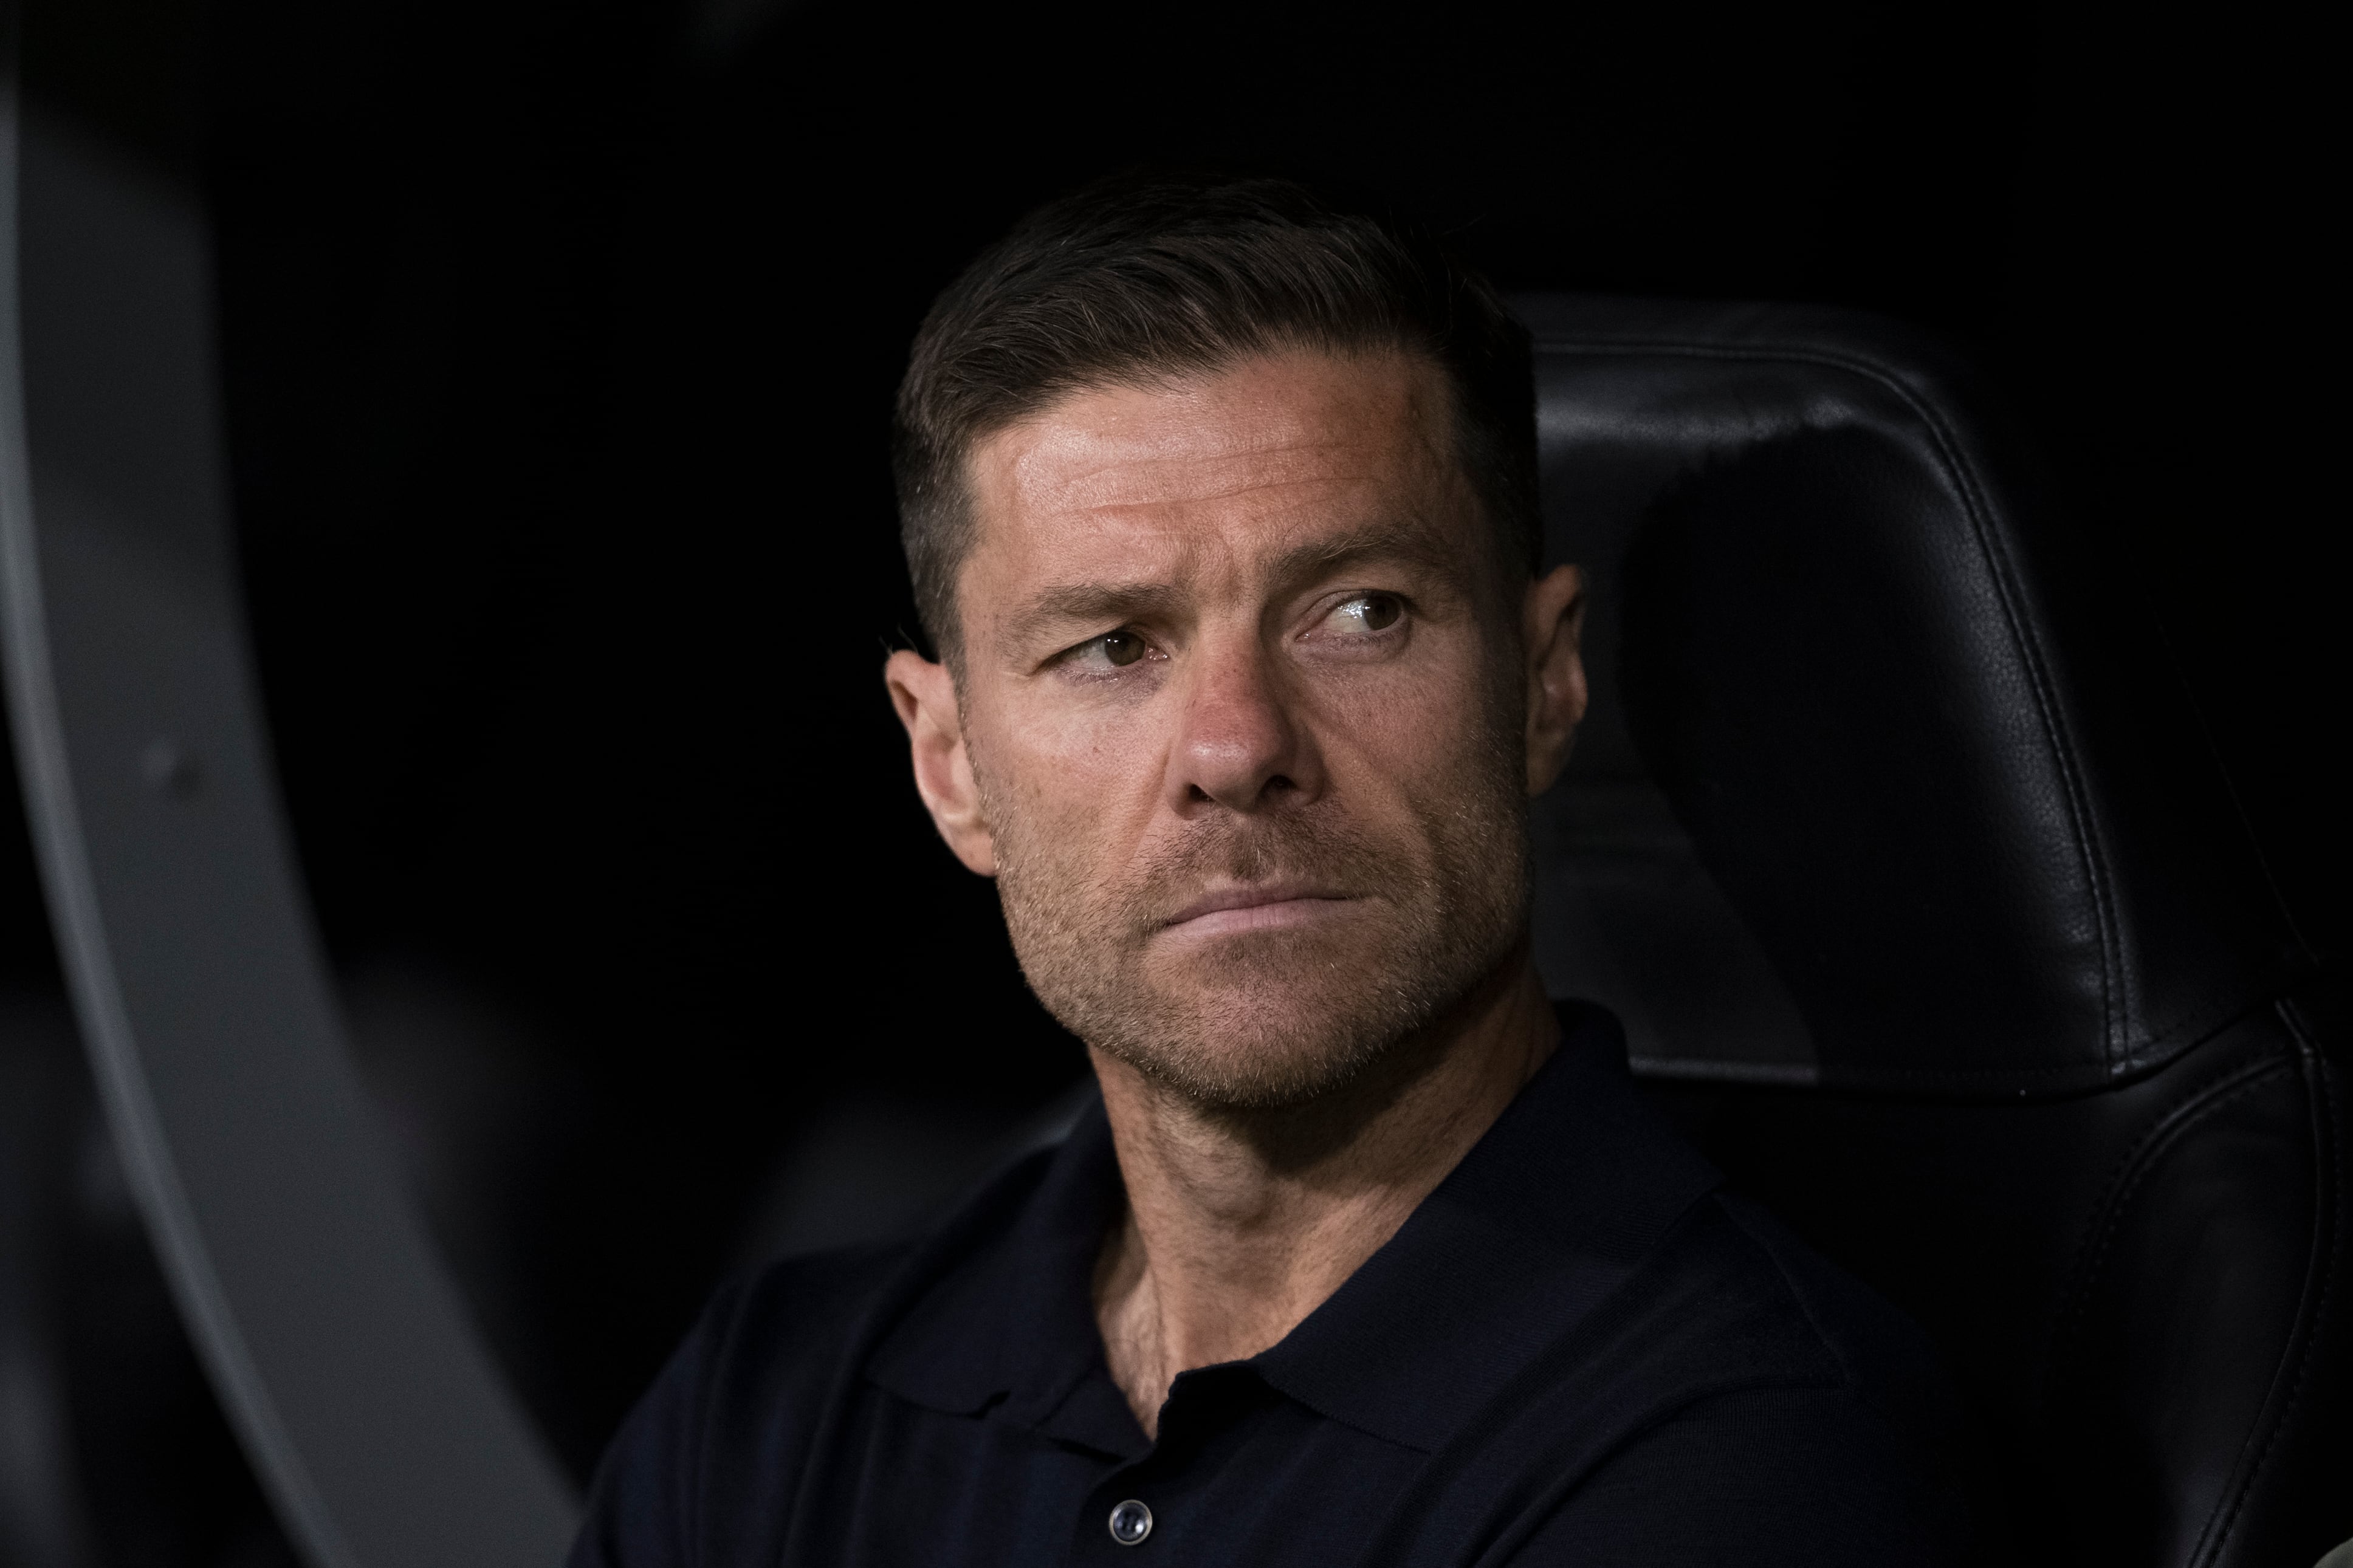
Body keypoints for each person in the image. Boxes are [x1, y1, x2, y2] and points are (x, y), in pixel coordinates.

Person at [570, 173, 1971, 1565]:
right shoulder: (768, 1409)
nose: (1236, 746)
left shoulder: (1744, 1462)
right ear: (951, 766)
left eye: (1358, 613)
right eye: (1110, 645)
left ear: (1543, 681)